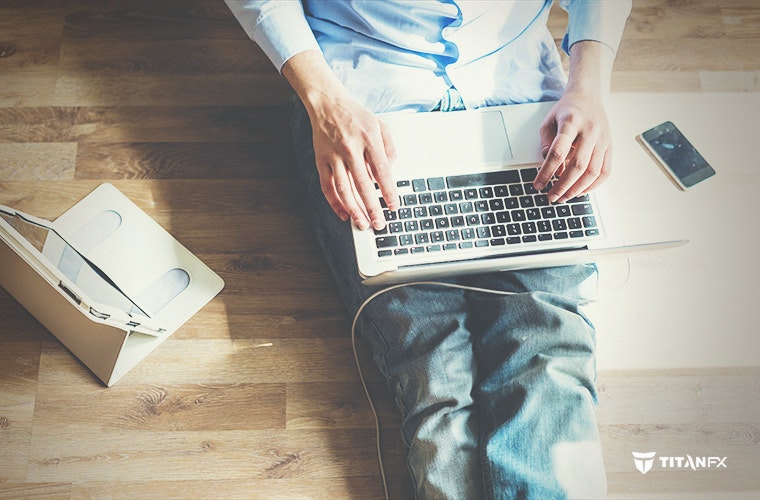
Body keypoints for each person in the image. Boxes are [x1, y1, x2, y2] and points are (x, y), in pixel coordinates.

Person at [226, 1, 631, 498]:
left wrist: (589, 88)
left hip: (524, 102)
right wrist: (324, 102)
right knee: (434, 366)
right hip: (364, 105)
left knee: (550, 348)